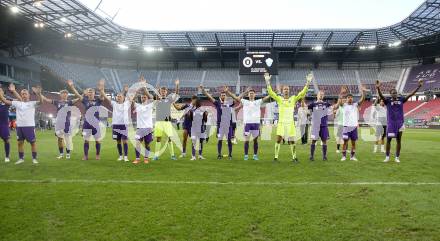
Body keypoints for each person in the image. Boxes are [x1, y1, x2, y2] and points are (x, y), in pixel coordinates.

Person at [265, 72, 312, 163]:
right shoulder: (279, 99)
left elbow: (302, 93)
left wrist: (308, 83)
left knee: (292, 141)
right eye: (284, 89)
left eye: (287, 89)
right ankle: (275, 158)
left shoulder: (293, 98)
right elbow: (271, 93)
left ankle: (294, 157)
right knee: (278, 139)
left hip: (290, 123)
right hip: (281, 123)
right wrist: (267, 81)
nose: (286, 90)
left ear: (289, 91)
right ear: (282, 91)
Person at [376, 79, 423, 163]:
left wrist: (418, 86)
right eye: (393, 93)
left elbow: (411, 94)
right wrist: (378, 88)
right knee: (389, 140)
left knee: (398, 140)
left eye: (395, 92)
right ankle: (387, 157)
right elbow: (381, 96)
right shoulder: (387, 101)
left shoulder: (401, 99)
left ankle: (397, 157)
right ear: (390, 94)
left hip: (400, 124)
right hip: (391, 124)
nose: (394, 93)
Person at [225, 86, 270, 160]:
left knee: (255, 140)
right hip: (247, 124)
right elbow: (236, 98)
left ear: (255, 95)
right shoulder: (244, 101)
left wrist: (272, 94)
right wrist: (228, 92)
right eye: (250, 93)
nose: (251, 94)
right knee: (246, 140)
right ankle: (246, 155)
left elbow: (266, 98)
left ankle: (255, 155)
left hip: (256, 124)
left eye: (252, 93)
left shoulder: (258, 101)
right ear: (248, 95)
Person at [0, 85, 41, 164]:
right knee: (20, 143)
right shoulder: (17, 103)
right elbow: (5, 101)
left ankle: (34, 158)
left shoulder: (33, 103)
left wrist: (39, 94)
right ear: (21, 95)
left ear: (29, 95)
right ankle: (21, 158)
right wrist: (4, 93)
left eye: (25, 93)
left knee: (32, 143)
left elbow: (41, 101)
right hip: (19, 126)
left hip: (29, 126)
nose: (24, 95)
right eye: (22, 94)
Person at [37, 87, 81, 159]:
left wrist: (83, 94)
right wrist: (39, 94)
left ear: (67, 95)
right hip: (59, 123)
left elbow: (79, 98)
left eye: (65, 94)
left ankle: (68, 153)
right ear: (60, 95)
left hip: (67, 123)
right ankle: (61, 153)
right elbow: (46, 99)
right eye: (62, 93)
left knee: (67, 138)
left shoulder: (70, 102)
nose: (64, 95)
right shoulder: (57, 102)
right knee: (59, 139)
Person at [67, 79, 106, 160]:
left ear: (94, 93)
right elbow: (77, 95)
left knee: (98, 140)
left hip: (95, 124)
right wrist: (72, 86)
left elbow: (102, 95)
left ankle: (97, 155)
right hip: (87, 124)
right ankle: (85, 155)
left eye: (92, 92)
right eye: (89, 92)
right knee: (86, 140)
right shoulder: (85, 100)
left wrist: (102, 87)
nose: (90, 93)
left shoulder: (98, 101)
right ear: (87, 94)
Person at [200, 85, 235, 160]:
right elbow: (210, 97)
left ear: (226, 96)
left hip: (228, 125)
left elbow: (237, 99)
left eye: (224, 95)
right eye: (222, 95)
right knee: (220, 140)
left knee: (229, 140)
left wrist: (228, 92)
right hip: (220, 125)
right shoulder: (217, 103)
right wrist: (203, 90)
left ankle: (230, 155)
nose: (223, 96)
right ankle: (219, 154)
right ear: (220, 96)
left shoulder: (230, 103)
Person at [101, 85, 132, 162]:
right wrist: (102, 91)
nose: (119, 97)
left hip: (124, 125)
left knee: (125, 141)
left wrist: (126, 91)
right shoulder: (114, 104)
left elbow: (131, 97)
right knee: (118, 141)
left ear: (123, 98)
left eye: (120, 96)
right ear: (116, 98)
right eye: (118, 96)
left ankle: (126, 156)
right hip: (115, 125)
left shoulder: (127, 103)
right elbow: (106, 98)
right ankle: (120, 156)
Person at [153, 80, 180, 161]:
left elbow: (176, 94)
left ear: (166, 92)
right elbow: (154, 95)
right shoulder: (157, 99)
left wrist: (177, 85)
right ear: (160, 92)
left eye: (164, 91)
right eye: (162, 91)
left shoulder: (169, 99)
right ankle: (156, 156)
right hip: (158, 122)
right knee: (158, 139)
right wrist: (156, 90)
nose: (163, 92)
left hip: (167, 122)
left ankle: (172, 155)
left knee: (169, 138)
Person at [337, 86, 366, 161]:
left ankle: (352, 157)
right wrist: (341, 93)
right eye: (348, 97)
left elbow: (362, 99)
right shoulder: (344, 105)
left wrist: (363, 92)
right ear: (346, 99)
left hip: (354, 127)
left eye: (351, 97)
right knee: (345, 142)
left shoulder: (355, 105)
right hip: (346, 127)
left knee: (353, 143)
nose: (350, 98)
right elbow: (339, 102)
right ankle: (343, 156)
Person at [308, 90, 336, 161]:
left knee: (324, 141)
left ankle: (324, 156)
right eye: (319, 94)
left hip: (323, 125)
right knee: (313, 141)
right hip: (315, 126)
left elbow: (334, 107)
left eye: (322, 94)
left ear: (323, 96)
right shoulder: (313, 104)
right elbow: (306, 108)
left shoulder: (326, 104)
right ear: (317, 95)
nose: (320, 95)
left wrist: (339, 101)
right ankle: (311, 156)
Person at [133, 81, 155, 164]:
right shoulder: (138, 105)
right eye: (142, 97)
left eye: (145, 97)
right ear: (141, 98)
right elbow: (132, 100)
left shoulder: (150, 105)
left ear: (147, 98)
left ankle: (146, 158)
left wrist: (144, 87)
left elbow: (152, 98)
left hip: (148, 128)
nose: (143, 98)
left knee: (147, 144)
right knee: (138, 143)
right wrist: (136, 91)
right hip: (139, 128)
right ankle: (137, 159)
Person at [0, 84, 21, 163]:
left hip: (3, 124)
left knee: (7, 140)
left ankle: (7, 156)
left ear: (3, 92)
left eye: (0, 90)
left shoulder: (7, 99)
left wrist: (13, 91)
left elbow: (19, 100)